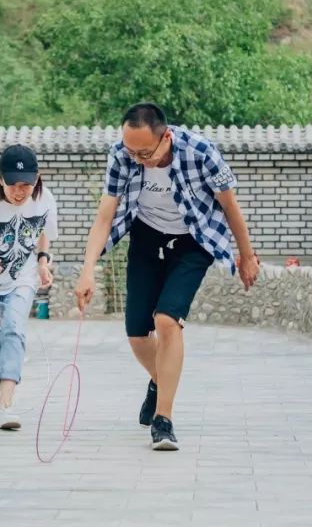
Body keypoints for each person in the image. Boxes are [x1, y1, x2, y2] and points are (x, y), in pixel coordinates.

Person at [75, 103, 259, 450]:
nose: (137, 158)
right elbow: (104, 216)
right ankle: (161, 380)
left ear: (166, 138)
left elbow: (230, 206)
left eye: (144, 152)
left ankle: (164, 420)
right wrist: (87, 271)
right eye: (131, 150)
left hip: (194, 240)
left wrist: (246, 256)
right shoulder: (121, 156)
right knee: (136, 332)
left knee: (166, 321)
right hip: (146, 236)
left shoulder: (201, 152)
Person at [0, 144, 57, 430]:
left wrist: (42, 262)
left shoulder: (45, 200)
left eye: (26, 185)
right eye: (13, 185)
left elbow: (43, 235)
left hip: (21, 278)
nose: (19, 191)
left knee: (13, 331)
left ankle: (5, 404)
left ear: (36, 179)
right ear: (0, 179)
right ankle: (6, 372)